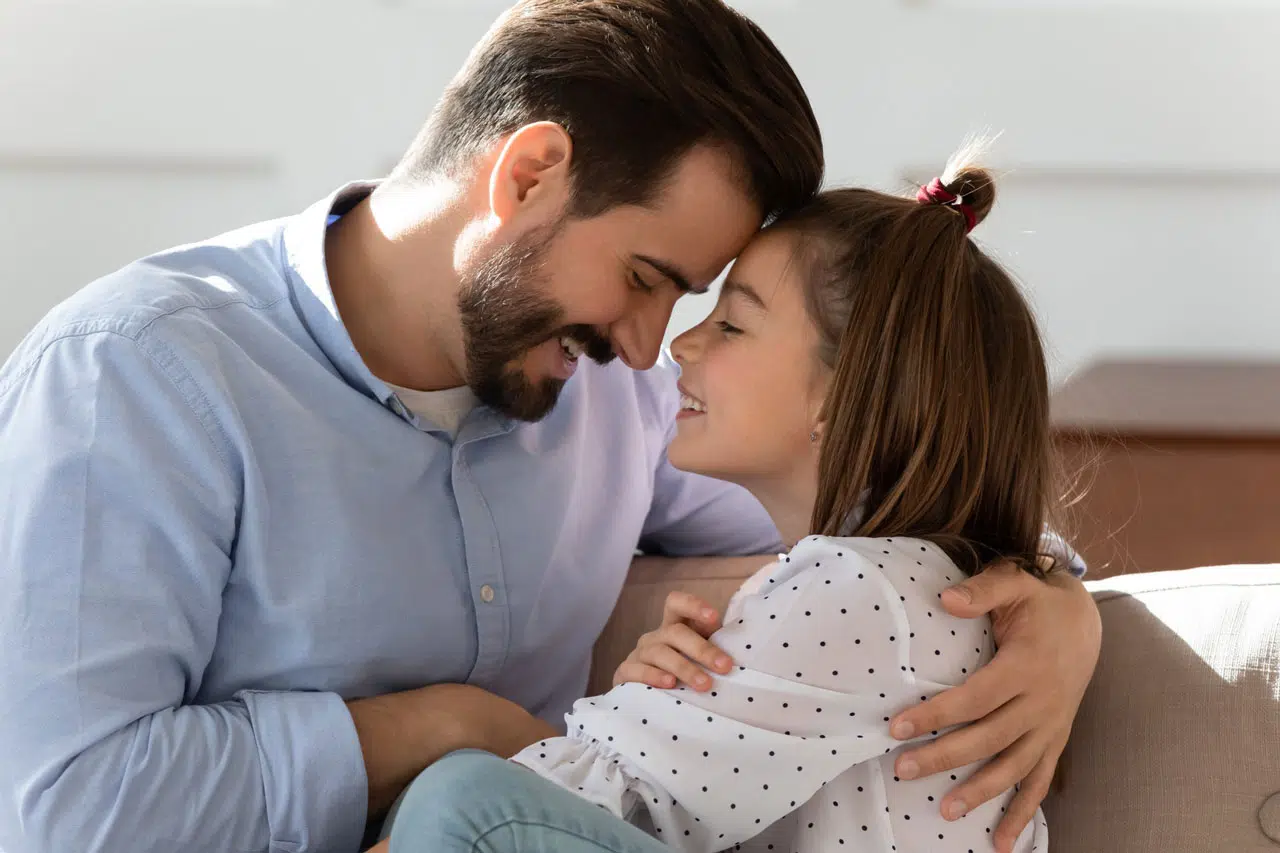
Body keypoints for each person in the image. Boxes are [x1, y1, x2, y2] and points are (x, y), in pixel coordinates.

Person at [0, 3, 1098, 853]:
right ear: (526, 176)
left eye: (698, 302)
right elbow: (62, 808)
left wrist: (1051, 605)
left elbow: (881, 499)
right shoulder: (132, 378)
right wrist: (444, 729)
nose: (649, 346)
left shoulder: (609, 388)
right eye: (644, 278)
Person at [373, 151, 1072, 853]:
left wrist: (630, 718)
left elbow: (581, 800)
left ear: (842, 393)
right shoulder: (918, 578)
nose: (681, 342)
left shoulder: (857, 589)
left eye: (732, 325)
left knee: (464, 802)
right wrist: (654, 701)